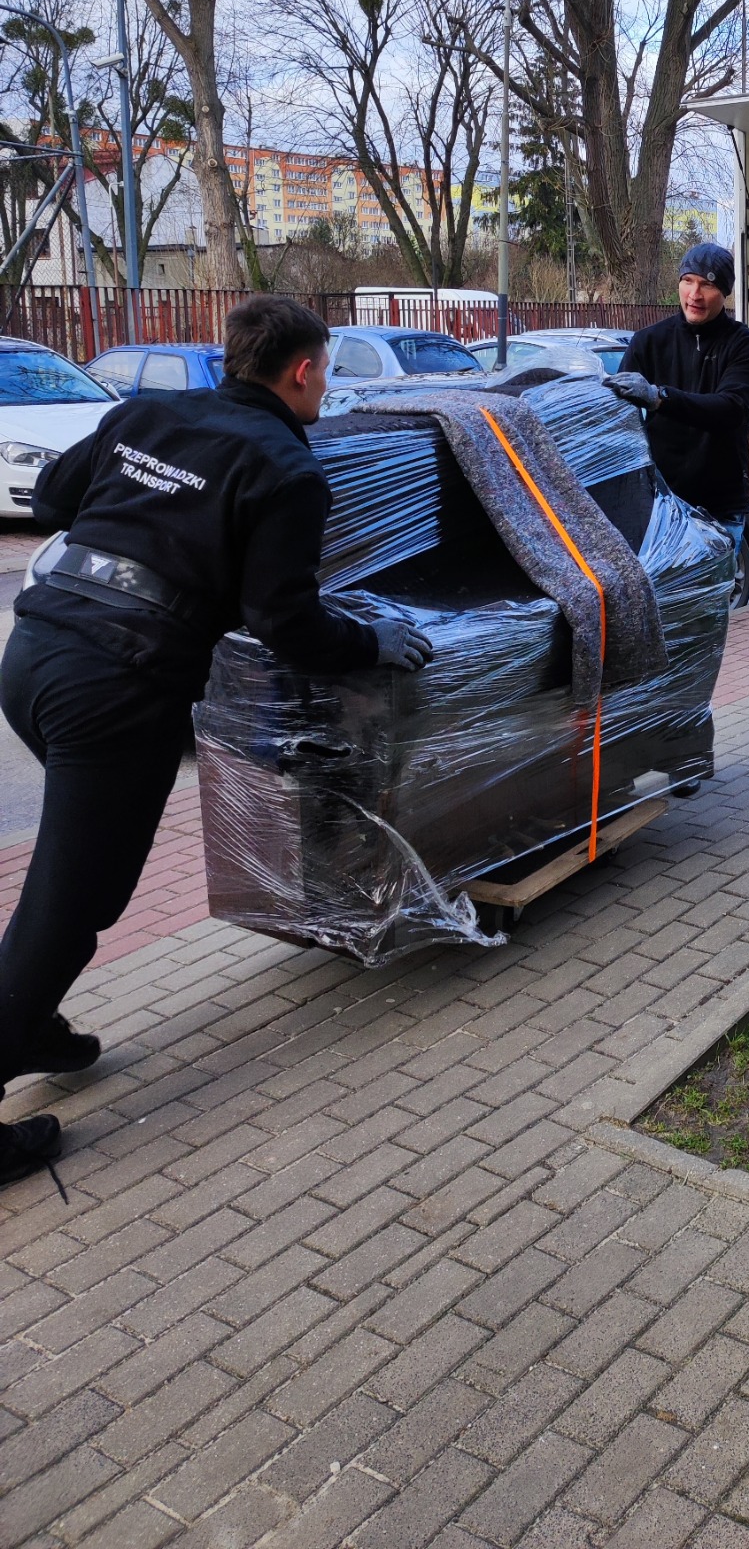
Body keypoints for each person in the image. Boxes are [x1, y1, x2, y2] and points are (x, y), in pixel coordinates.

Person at [0, 296, 432, 1189]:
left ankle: (32, 1025)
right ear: (302, 371)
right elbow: (288, 624)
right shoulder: (285, 467)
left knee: (75, 880)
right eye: (326, 372)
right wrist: (373, 643)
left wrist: (152, 513)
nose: (326, 387)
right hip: (116, 691)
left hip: (32, 657)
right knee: (70, 898)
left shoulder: (149, 413)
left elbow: (50, 499)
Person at [606, 243, 749, 558]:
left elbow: (731, 409)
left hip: (720, 508)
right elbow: (618, 422)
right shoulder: (648, 342)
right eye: (688, 281)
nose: (695, 294)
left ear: (725, 292)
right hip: (658, 506)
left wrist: (659, 397)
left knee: (711, 591)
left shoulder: (746, 345)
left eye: (707, 284)